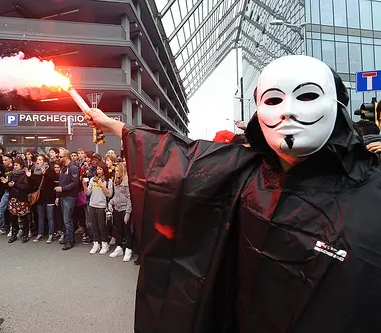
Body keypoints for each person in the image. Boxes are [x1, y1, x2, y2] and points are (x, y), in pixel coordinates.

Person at [85, 55, 381, 332]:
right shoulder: (242, 173)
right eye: (274, 99)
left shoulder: (371, 190)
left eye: (307, 96)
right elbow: (178, 161)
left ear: (337, 106)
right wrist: (112, 124)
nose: (288, 111)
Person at [83, 161, 113, 255]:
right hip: (92, 205)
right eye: (97, 169)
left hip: (102, 206)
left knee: (102, 226)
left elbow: (109, 194)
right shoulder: (92, 179)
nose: (98, 171)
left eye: (100, 169)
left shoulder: (108, 181)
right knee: (94, 226)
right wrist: (84, 186)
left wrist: (102, 185)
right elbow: (88, 193)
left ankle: (105, 244)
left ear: (104, 170)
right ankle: (96, 243)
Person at [108, 162, 133, 262]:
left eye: (118, 171)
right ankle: (119, 247)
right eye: (115, 171)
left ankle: (129, 248)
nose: (116, 172)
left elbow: (130, 198)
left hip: (125, 208)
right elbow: (116, 195)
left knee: (127, 230)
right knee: (117, 228)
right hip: (117, 208)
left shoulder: (127, 182)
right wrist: (110, 203)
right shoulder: (116, 181)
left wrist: (127, 213)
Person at [54, 150, 79, 250]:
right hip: (63, 196)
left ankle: (70, 240)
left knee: (67, 219)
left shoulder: (73, 168)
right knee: (66, 219)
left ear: (66, 157)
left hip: (70, 196)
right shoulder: (64, 168)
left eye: (60, 157)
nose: (59, 158)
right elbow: (60, 182)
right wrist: (57, 196)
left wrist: (62, 189)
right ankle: (68, 237)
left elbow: (75, 182)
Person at [6, 158, 30, 243]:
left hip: (21, 198)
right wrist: (7, 183)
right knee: (13, 218)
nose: (15, 167)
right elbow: (8, 186)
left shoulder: (24, 174)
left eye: (17, 165)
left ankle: (25, 234)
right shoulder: (11, 174)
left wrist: (15, 184)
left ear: (21, 166)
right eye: (14, 165)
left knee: (24, 217)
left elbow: (26, 187)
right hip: (13, 198)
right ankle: (14, 235)